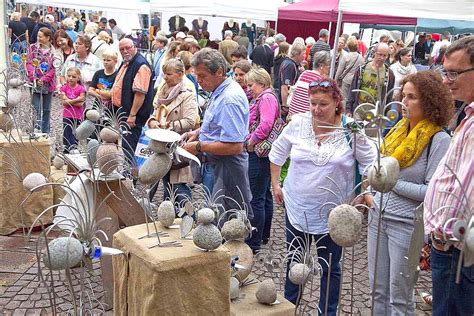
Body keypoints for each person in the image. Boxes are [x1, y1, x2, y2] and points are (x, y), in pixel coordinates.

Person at [269, 79, 376, 315]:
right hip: (297, 206)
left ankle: (327, 311)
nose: (317, 110)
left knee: (329, 267)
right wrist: (275, 184)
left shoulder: (351, 130)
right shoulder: (299, 124)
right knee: (294, 262)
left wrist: (363, 193)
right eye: (313, 103)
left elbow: (370, 163)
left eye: (323, 104)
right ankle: (289, 307)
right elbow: (276, 152)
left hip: (333, 213)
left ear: (337, 103)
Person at [368, 71, 453, 315]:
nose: (404, 102)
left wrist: (389, 182)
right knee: (376, 289)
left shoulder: (439, 139)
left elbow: (432, 191)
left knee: (400, 296)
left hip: (406, 226)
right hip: (377, 217)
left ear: (429, 101)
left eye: (412, 97)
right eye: (403, 95)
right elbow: (378, 166)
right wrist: (370, 185)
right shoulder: (397, 131)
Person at [424, 35, 474, 316]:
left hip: (456, 249)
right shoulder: (467, 115)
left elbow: (463, 187)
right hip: (452, 246)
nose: (446, 80)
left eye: (454, 72)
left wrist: (441, 235)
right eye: (446, 72)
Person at [182, 48, 253, 217]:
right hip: (218, 163)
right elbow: (219, 122)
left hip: (228, 166)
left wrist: (198, 146)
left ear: (219, 72)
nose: (198, 81)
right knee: (216, 213)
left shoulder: (229, 98)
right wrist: (198, 132)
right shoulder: (220, 88)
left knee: (229, 219)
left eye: (202, 76)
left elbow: (235, 146)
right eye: (196, 75)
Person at [147, 58, 198, 204]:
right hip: (160, 146)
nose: (165, 77)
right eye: (164, 73)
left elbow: (190, 121)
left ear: (180, 74)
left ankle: (187, 217)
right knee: (164, 182)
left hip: (177, 148)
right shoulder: (162, 91)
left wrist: (170, 126)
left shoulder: (187, 94)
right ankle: (168, 215)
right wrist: (152, 122)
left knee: (179, 186)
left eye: (169, 74)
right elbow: (154, 113)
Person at [244, 67, 279, 253]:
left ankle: (254, 241)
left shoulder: (265, 98)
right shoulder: (268, 96)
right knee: (264, 195)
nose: (249, 88)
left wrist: (251, 141)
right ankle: (263, 234)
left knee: (256, 198)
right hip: (264, 154)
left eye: (251, 84)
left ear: (262, 83)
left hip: (258, 153)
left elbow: (265, 125)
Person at [111, 38, 154, 164]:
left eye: (127, 48)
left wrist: (132, 115)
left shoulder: (141, 65)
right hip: (125, 113)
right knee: (126, 146)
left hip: (134, 117)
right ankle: (128, 174)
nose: (125, 51)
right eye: (121, 49)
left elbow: (140, 93)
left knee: (130, 148)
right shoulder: (127, 62)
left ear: (134, 47)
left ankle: (131, 178)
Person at [346, 43, 395, 115]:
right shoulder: (362, 69)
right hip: (358, 110)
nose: (382, 58)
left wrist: (386, 114)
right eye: (380, 54)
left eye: (385, 55)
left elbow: (389, 97)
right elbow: (352, 90)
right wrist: (348, 110)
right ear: (374, 53)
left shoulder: (389, 74)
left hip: (376, 114)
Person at [26, 27, 56, 133]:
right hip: (34, 82)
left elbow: (54, 68)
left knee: (47, 109)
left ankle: (45, 131)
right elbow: (29, 63)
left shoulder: (53, 51)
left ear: (48, 38)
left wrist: (44, 78)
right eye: (38, 36)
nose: (38, 38)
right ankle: (36, 129)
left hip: (49, 84)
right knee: (36, 107)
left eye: (41, 36)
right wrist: (33, 77)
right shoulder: (33, 48)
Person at [288, 51, 331, 117]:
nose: (329, 68)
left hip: (292, 113)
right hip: (304, 117)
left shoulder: (304, 73)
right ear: (321, 66)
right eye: (328, 65)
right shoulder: (321, 81)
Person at [274, 42, 306, 118]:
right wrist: (285, 105)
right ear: (297, 54)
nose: (305, 56)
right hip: (286, 103)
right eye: (303, 54)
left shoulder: (289, 63)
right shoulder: (290, 65)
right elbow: (285, 86)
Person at [60, 67, 87, 152]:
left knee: (75, 132)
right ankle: (66, 148)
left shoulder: (81, 88)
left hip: (77, 115)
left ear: (78, 78)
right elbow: (64, 102)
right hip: (67, 114)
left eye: (73, 77)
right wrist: (76, 100)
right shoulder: (64, 87)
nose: (71, 78)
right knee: (66, 131)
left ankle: (74, 148)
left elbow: (81, 102)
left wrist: (69, 101)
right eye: (69, 76)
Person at [335, 37, 365, 104]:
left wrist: (335, 81)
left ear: (348, 46)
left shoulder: (346, 56)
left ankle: (343, 111)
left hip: (346, 80)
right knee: (353, 99)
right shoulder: (361, 58)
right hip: (356, 81)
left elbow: (339, 70)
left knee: (344, 98)